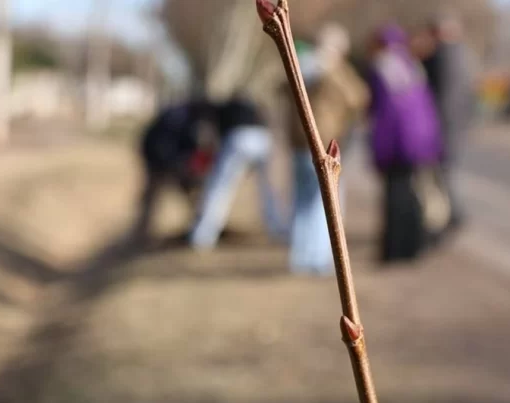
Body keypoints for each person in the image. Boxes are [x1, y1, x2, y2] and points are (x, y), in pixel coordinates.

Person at [283, 23, 371, 275]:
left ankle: (300, 257)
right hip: (323, 146)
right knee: (327, 203)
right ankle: (319, 258)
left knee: (302, 202)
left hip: (299, 142)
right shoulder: (333, 70)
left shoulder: (299, 62)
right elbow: (359, 97)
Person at [366, 24, 443, 264]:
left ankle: (395, 250)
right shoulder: (411, 65)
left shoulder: (383, 67)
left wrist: (380, 151)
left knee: (395, 196)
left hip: (398, 143)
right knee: (410, 193)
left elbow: (385, 114)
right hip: (420, 141)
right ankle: (412, 247)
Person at [188, 93, 285, 250]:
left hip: (239, 138)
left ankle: (203, 235)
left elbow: (214, 141)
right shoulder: (251, 107)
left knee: (220, 188)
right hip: (263, 140)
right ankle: (277, 229)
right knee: (268, 190)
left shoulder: (217, 112)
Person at [133, 97, 218, 243]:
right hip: (156, 158)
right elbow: (162, 145)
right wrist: (175, 164)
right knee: (152, 197)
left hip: (170, 159)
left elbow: (191, 148)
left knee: (192, 193)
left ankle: (198, 226)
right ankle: (141, 236)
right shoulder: (177, 119)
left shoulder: (189, 121)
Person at [422, 14, 475, 240]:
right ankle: (453, 216)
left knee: (443, 176)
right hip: (456, 127)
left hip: (445, 128)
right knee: (446, 174)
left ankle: (453, 216)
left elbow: (442, 98)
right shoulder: (463, 55)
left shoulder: (443, 56)